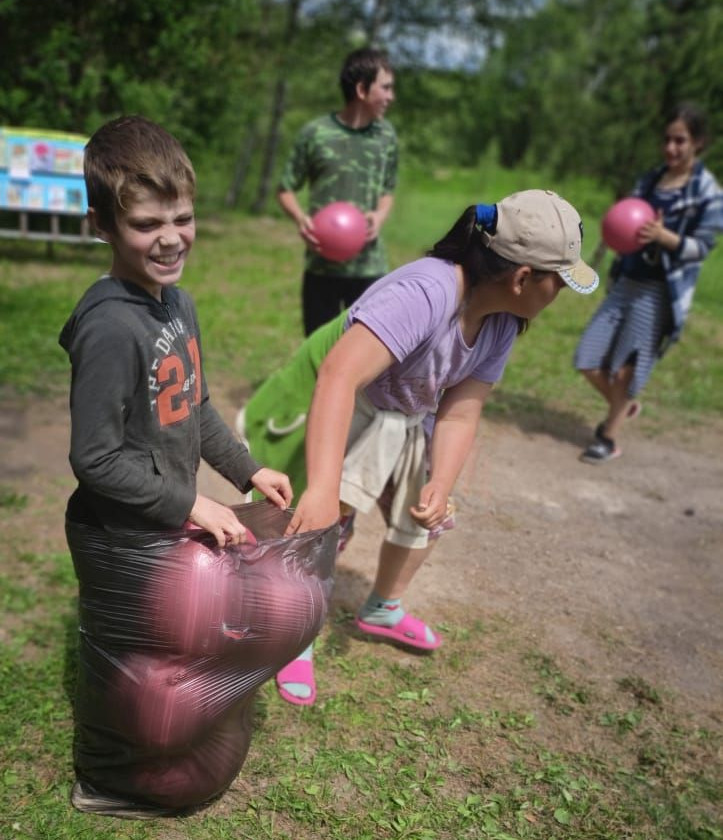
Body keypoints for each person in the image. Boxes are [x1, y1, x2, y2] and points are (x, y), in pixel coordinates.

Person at [239, 189, 599, 705]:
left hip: (404, 415)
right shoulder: (427, 291)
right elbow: (339, 377)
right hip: (344, 401)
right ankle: (294, 632)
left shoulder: (501, 322)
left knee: (429, 517)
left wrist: (440, 483)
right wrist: (321, 488)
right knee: (321, 523)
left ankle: (383, 607)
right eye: (558, 283)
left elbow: (463, 408)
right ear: (522, 278)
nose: (557, 296)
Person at [59, 115, 293, 812]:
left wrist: (245, 470)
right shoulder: (108, 326)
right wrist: (189, 502)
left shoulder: (176, 305)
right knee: (138, 668)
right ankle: (111, 779)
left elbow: (192, 408)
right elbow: (93, 457)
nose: (169, 238)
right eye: (145, 224)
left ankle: (165, 757)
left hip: (159, 517)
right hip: (118, 533)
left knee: (180, 654)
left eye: (182, 217)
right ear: (102, 224)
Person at [574, 103, 722, 463]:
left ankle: (608, 438)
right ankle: (623, 408)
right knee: (587, 359)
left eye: (680, 141)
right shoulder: (649, 180)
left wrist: (662, 235)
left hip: (661, 291)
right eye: (667, 140)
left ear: (698, 143)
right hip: (627, 280)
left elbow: (700, 248)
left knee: (626, 367)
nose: (671, 148)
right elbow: (625, 224)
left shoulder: (708, 193)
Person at [277, 46, 398, 336]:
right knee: (319, 353)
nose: (391, 96)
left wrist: (380, 216)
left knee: (370, 355)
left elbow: (388, 189)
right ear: (361, 89)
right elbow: (285, 188)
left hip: (370, 268)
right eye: (386, 88)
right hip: (322, 268)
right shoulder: (315, 133)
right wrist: (299, 218)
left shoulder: (386, 136)